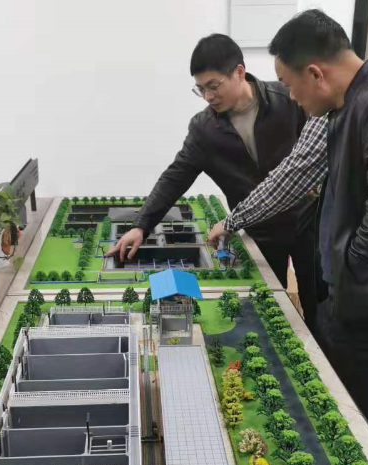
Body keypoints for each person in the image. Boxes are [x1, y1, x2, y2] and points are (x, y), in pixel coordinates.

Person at [208, 10, 368, 445]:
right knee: (341, 403)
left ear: (315, 73)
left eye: (290, 85)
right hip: (362, 291)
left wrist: (350, 268)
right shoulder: (345, 105)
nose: (292, 98)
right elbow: (295, 174)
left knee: (359, 419)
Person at [106, 33, 324, 331]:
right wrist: (141, 226)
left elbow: (318, 152)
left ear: (239, 72)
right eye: (200, 89)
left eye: (213, 86)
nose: (208, 96)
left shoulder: (288, 100)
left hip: (309, 223)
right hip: (260, 231)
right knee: (272, 309)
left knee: (319, 303)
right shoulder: (205, 129)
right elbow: (175, 177)